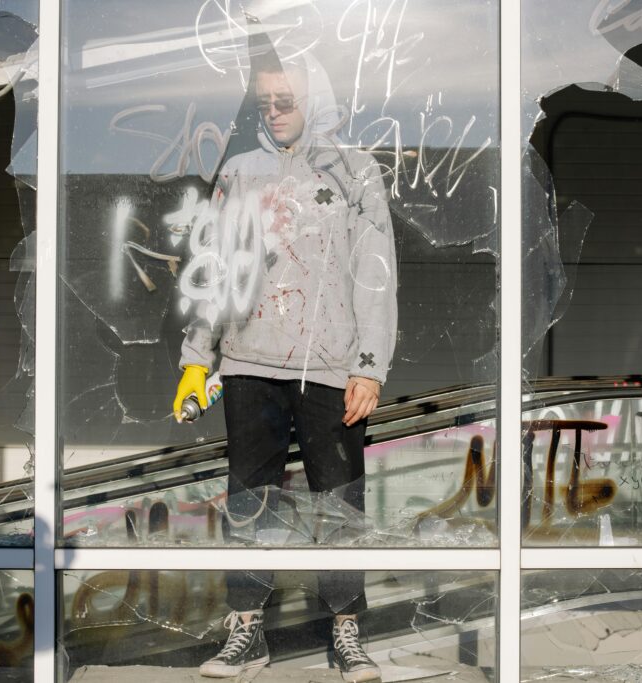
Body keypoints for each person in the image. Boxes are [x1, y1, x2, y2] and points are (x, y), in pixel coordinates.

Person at [172, 46, 396, 683]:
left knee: (340, 501)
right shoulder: (240, 172)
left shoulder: (356, 170)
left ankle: (347, 632)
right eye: (265, 102)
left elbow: (375, 273)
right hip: (248, 362)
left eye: (286, 101)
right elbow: (215, 271)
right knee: (249, 501)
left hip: (331, 369)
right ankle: (247, 632)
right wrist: (198, 358)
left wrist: (370, 365)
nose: (273, 112)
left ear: (313, 100)